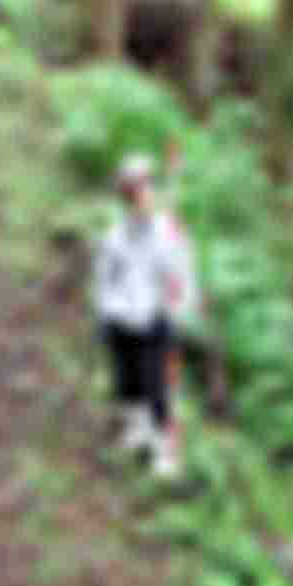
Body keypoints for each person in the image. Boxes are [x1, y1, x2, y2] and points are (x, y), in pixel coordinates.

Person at [91, 152, 199, 475]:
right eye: (131, 191)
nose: (139, 197)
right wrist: (105, 313)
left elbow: (183, 274)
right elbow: (104, 277)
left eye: (143, 188)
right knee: (127, 382)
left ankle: (166, 452)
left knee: (158, 387)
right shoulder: (116, 235)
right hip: (122, 318)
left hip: (155, 318)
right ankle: (136, 431)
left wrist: (180, 308)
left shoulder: (169, 232)